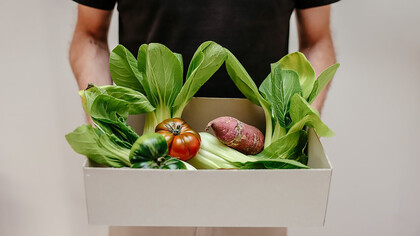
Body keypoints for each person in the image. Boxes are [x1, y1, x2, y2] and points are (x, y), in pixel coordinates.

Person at [69, 1, 339, 235]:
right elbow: (89, 35)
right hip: (144, 181)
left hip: (261, 189)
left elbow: (318, 40)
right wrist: (109, 131)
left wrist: (292, 132)